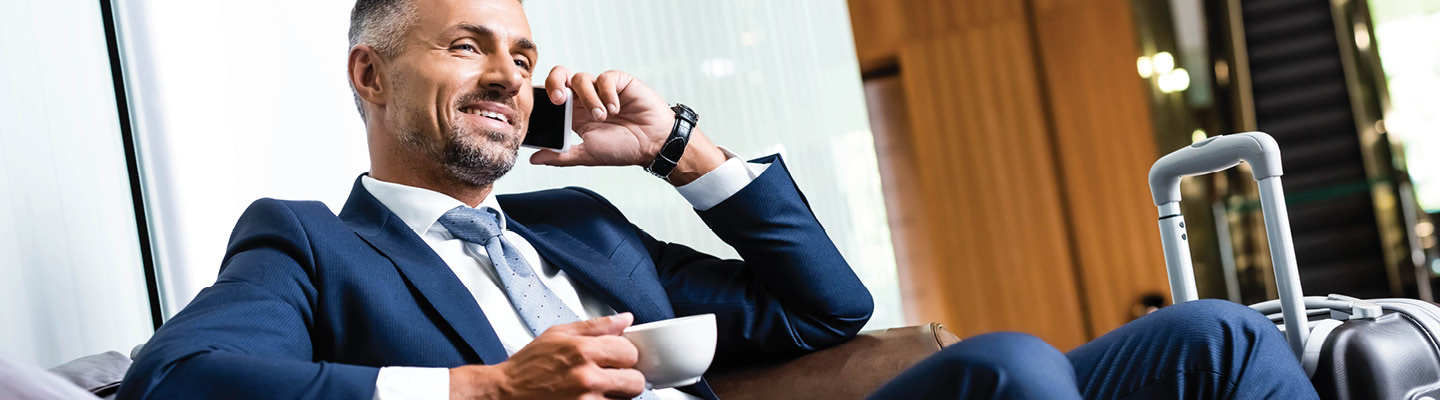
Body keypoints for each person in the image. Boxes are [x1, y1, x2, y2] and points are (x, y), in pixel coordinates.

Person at [118, 0, 1320, 399]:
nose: (507, 76)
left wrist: (682, 151)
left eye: (525, 56)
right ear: (369, 75)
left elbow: (823, 310)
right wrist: (487, 385)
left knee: (1211, 338)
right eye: (467, 46)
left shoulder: (577, 227)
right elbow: (182, 382)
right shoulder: (314, 246)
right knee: (1010, 369)